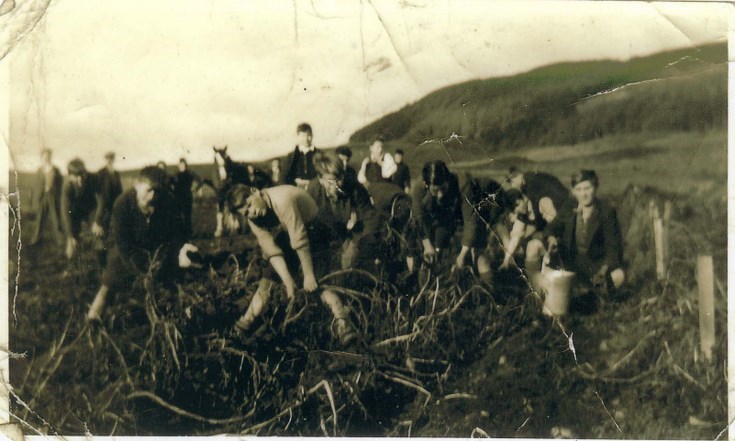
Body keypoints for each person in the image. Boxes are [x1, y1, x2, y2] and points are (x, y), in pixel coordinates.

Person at [225, 184, 357, 345]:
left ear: (255, 191)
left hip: (316, 231)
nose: (252, 212)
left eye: (250, 205)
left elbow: (300, 239)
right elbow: (271, 250)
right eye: (246, 213)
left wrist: (308, 275)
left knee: (319, 282)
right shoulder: (253, 218)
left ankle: (343, 323)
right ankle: (245, 323)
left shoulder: (282, 200)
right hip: (289, 234)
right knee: (268, 278)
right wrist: (288, 282)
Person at [87, 166, 198, 321]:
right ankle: (93, 318)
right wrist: (143, 272)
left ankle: (175, 316)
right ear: (137, 184)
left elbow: (176, 235)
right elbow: (124, 245)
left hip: (157, 249)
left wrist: (179, 252)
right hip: (128, 251)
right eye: (149, 190)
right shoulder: (122, 204)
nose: (152, 196)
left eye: (157, 192)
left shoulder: (168, 202)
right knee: (110, 280)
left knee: (172, 281)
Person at [412, 160, 506, 284]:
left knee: (478, 250)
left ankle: (490, 290)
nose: (439, 195)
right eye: (435, 191)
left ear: (448, 180)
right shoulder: (419, 187)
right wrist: (427, 246)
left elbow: (470, 222)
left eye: (443, 189)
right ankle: (434, 286)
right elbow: (419, 218)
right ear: (426, 185)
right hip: (450, 211)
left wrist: (462, 255)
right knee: (436, 246)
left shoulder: (463, 184)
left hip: (479, 204)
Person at [545, 170, 625, 298]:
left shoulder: (606, 212)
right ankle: (577, 296)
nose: (583, 194)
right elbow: (552, 227)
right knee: (544, 262)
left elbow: (613, 249)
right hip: (570, 262)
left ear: (596, 187)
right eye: (579, 189)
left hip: (594, 266)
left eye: (587, 188)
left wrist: (603, 270)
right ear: (573, 190)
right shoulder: (569, 207)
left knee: (618, 276)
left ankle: (590, 298)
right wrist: (551, 238)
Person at [306, 153, 379, 270]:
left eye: (339, 180)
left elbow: (369, 219)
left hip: (354, 236)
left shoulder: (355, 188)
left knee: (349, 266)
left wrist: (356, 245)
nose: (335, 186)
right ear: (320, 180)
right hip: (325, 239)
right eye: (330, 181)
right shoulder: (313, 191)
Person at [61, 159, 99, 260]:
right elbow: (66, 213)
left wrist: (95, 221)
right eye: (76, 176)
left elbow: (95, 203)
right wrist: (70, 236)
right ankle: (71, 264)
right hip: (73, 213)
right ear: (70, 176)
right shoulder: (67, 187)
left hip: (88, 209)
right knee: (72, 242)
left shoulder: (90, 180)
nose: (80, 179)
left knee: (98, 232)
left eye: (82, 175)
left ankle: (101, 260)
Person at [92, 152, 123, 266]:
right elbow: (97, 192)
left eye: (111, 158)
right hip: (103, 207)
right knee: (101, 232)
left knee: (115, 231)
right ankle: (101, 261)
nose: (110, 160)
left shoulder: (116, 174)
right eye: (108, 158)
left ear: (113, 160)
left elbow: (120, 190)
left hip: (114, 206)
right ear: (105, 159)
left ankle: (114, 258)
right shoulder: (101, 173)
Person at [30, 148, 64, 246]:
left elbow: (60, 184)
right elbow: (36, 185)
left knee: (56, 219)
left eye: (48, 156)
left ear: (50, 157)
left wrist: (55, 192)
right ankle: (36, 239)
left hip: (52, 197)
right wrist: (37, 197)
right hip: (42, 197)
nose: (46, 158)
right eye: (44, 157)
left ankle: (60, 241)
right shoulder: (39, 170)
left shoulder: (55, 170)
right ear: (42, 158)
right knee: (39, 219)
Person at [174, 158, 204, 237]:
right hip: (178, 198)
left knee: (187, 216)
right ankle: (180, 233)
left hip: (187, 197)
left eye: (183, 165)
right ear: (178, 165)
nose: (182, 166)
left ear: (186, 166)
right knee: (178, 216)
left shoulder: (190, 174)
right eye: (180, 165)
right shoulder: (176, 175)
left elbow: (201, 180)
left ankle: (188, 233)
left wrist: (196, 188)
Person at [283, 123, 319, 189]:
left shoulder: (318, 154)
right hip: (296, 190)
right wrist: (295, 181)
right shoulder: (291, 157)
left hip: (315, 189)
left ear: (312, 135)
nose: (305, 139)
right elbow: (285, 177)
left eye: (308, 135)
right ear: (297, 136)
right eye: (302, 136)